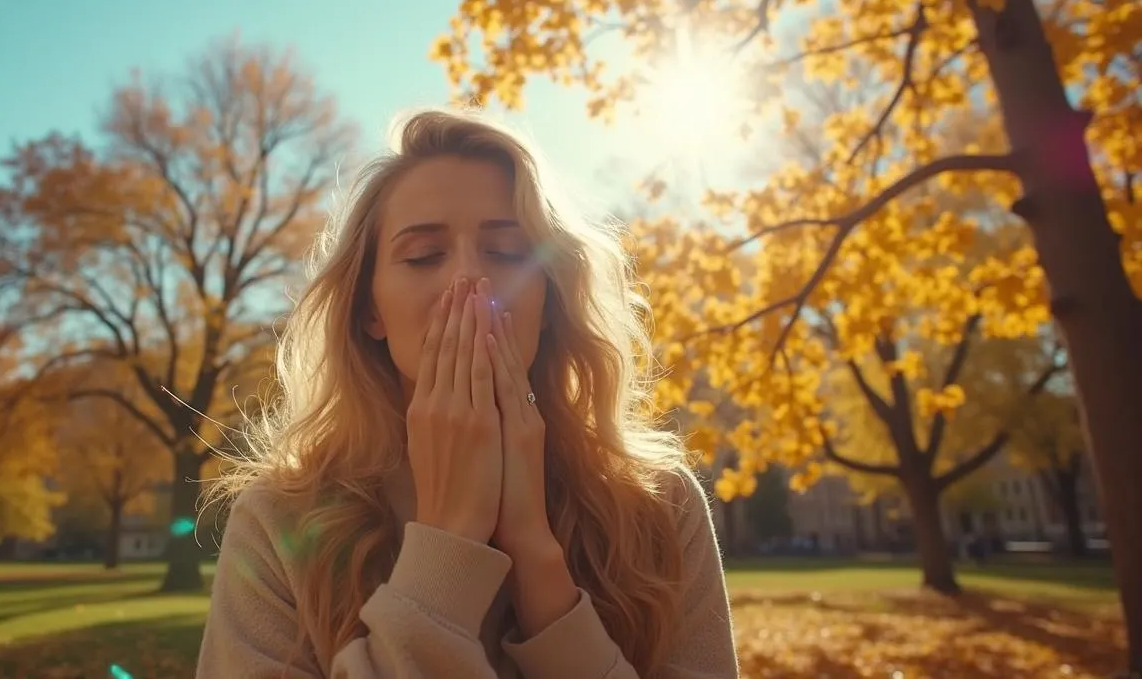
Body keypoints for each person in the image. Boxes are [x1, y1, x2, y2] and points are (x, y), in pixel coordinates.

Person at [196, 108, 738, 678]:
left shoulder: (658, 506)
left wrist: (535, 554)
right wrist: (447, 546)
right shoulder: (280, 522)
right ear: (369, 309)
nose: (469, 283)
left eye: (506, 252)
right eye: (424, 255)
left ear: (550, 301)